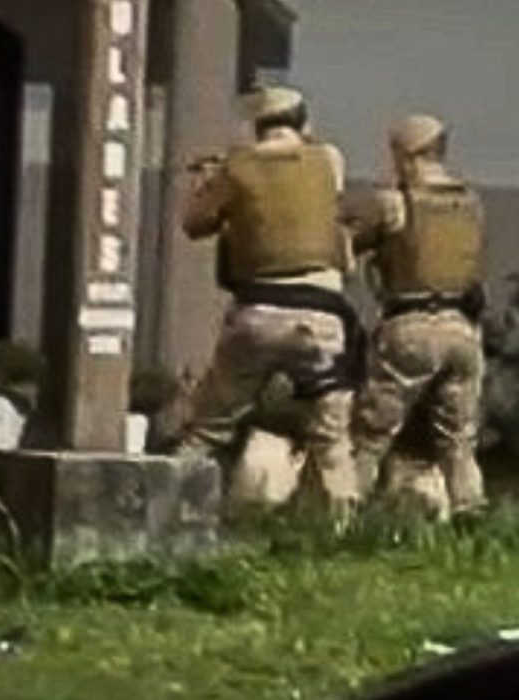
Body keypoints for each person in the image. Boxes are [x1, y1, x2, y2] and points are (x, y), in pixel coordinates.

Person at [174, 86, 364, 521]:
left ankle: (169, 511)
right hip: (321, 315)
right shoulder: (328, 159)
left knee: (208, 428)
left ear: (257, 126)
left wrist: (208, 180)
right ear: (303, 122)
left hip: (258, 313)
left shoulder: (237, 167)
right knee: (332, 437)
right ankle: (345, 529)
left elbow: (194, 224)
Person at [348, 114, 488, 519]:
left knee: (370, 435)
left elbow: (347, 243)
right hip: (462, 329)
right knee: (459, 441)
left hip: (410, 325)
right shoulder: (470, 202)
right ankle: (470, 512)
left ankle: (342, 518)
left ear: (406, 153)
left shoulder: (394, 202)